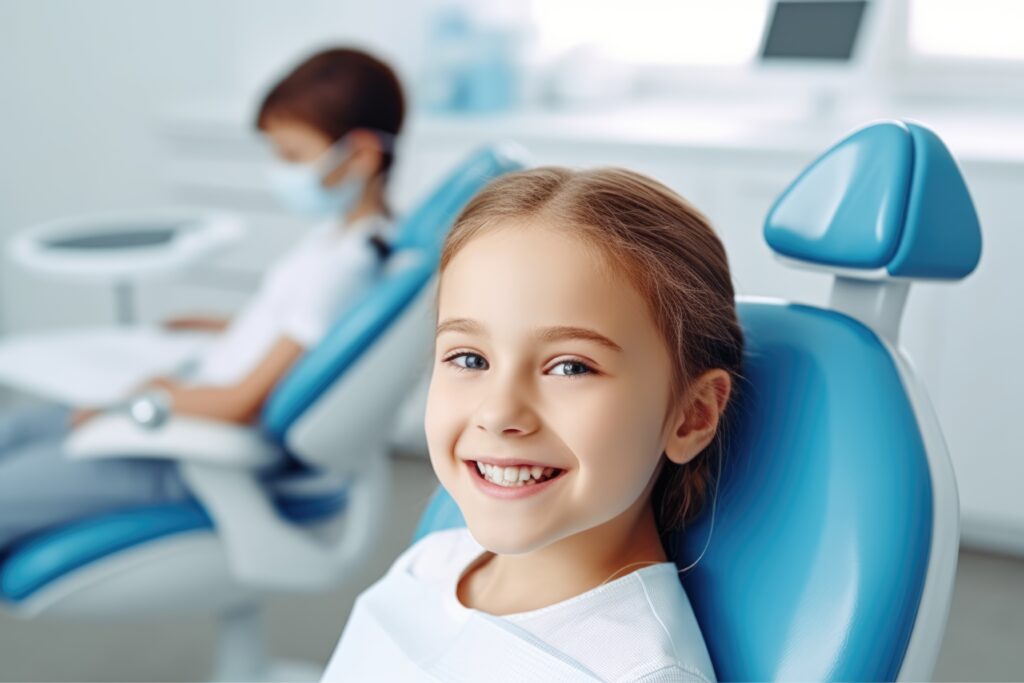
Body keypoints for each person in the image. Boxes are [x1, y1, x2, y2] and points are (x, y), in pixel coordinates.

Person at [322, 167, 745, 681]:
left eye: (570, 367)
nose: (499, 413)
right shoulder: (431, 562)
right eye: (470, 359)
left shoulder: (639, 672)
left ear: (692, 415)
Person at [0, 47, 405, 550]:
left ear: (361, 155)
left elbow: (241, 403)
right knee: (13, 432)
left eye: (293, 156)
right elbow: (296, 335)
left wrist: (128, 405)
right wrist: (222, 327)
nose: (279, 171)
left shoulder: (341, 269)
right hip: (191, 400)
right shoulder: (350, 239)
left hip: (188, 452)